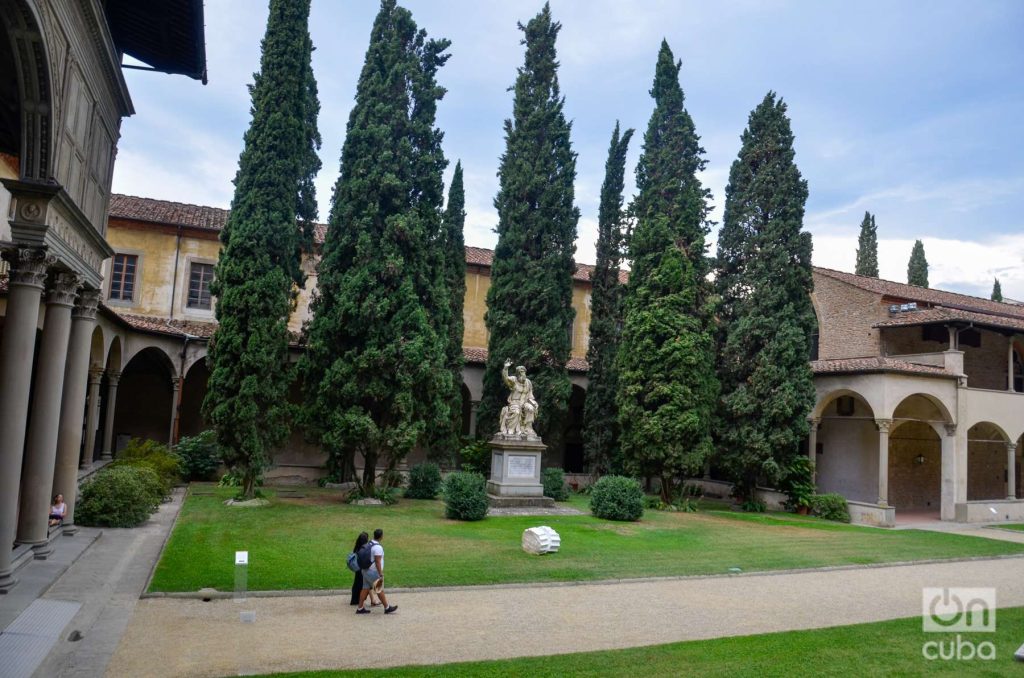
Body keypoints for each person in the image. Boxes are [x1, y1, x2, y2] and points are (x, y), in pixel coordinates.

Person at [356, 528, 396, 614]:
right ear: (381, 536)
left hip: (365, 570)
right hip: (373, 572)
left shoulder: (369, 543)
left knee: (365, 588)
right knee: (379, 589)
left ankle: (360, 608)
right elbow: (378, 561)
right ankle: (387, 607)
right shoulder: (378, 547)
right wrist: (380, 574)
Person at [499, 358, 538, 437]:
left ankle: (528, 429)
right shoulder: (514, 380)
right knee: (516, 412)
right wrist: (506, 368)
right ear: (517, 374)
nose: (522, 374)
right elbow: (505, 378)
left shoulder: (528, 382)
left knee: (530, 408)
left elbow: (530, 395)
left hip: (524, 402)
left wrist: (534, 403)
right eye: (520, 372)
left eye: (523, 372)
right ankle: (511, 429)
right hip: (514, 402)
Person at [350, 532, 381, 607]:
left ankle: (360, 601)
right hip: (363, 568)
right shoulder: (364, 548)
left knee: (364, 585)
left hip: (358, 569)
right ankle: (373, 601)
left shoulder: (357, 548)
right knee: (368, 584)